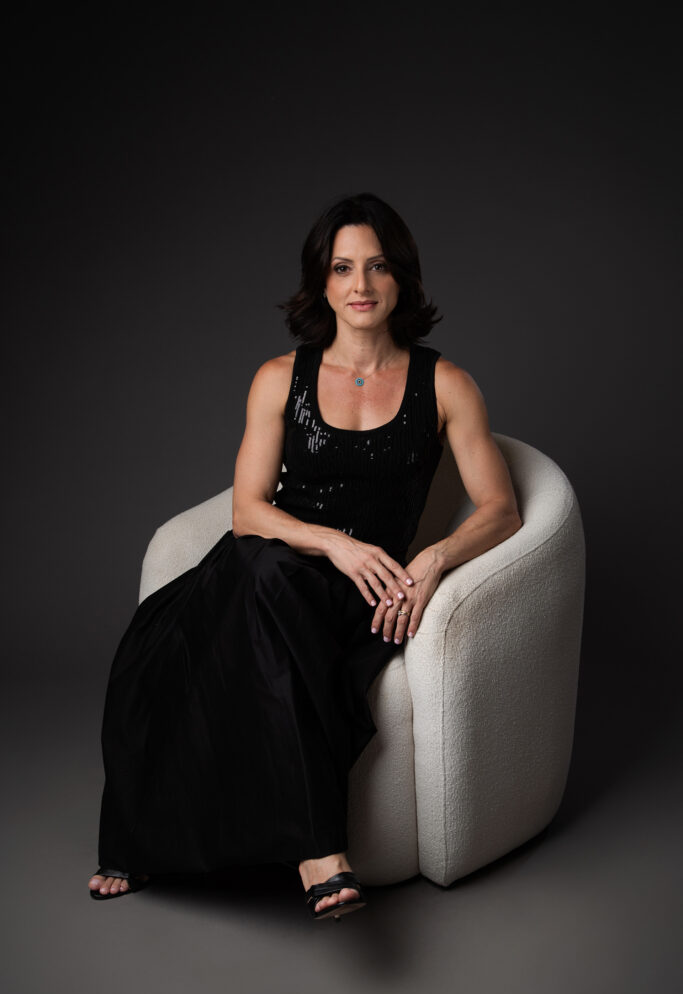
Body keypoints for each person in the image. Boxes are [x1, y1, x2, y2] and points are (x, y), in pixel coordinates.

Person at [87, 192, 522, 921]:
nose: (360, 285)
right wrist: (333, 542)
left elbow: (501, 508)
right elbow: (248, 511)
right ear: (320, 281)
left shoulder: (446, 384)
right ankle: (320, 852)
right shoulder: (278, 378)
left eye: (377, 266)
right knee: (237, 587)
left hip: (358, 594)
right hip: (272, 565)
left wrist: (434, 558)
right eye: (342, 268)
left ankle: (183, 843)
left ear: (402, 277)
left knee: (262, 591)